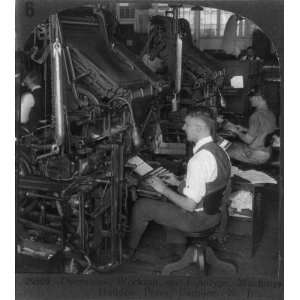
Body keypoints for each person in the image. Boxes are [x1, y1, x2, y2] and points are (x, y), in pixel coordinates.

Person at [125, 109, 231, 259]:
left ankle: (127, 253)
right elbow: (209, 185)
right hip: (215, 214)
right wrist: (177, 182)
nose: (183, 128)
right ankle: (178, 247)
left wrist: (163, 189)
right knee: (170, 196)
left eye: (187, 124)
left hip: (198, 220)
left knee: (142, 206)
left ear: (199, 128)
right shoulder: (220, 150)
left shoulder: (199, 160)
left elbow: (189, 205)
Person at [226, 88, 277, 165]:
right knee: (234, 144)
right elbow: (263, 131)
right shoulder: (270, 113)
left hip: (256, 155)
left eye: (251, 97)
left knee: (223, 150)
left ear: (259, 98)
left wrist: (235, 131)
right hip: (267, 152)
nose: (250, 99)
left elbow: (248, 140)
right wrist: (245, 129)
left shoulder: (256, 115)